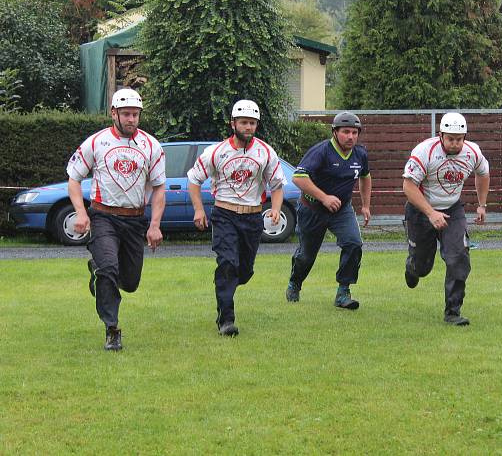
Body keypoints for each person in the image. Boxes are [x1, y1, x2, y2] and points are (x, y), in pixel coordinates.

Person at [67, 88, 166, 351]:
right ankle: (112, 329)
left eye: (135, 114)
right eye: (126, 114)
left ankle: (97, 274)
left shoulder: (151, 146)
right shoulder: (96, 142)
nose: (131, 119)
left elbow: (158, 187)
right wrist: (80, 212)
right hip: (104, 217)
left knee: (130, 283)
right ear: (114, 113)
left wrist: (154, 224)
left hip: (135, 220)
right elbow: (74, 178)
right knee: (109, 268)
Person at [188, 99, 285, 336]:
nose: (248, 127)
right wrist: (199, 209)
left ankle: (226, 285)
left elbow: (277, 184)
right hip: (224, 214)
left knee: (244, 271)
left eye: (252, 123)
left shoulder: (265, 152)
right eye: (243, 122)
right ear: (233, 123)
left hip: (252, 217)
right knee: (227, 263)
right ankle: (226, 318)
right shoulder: (216, 152)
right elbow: (194, 179)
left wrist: (275, 208)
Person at [402, 112, 490, 326]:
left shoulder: (473, 152)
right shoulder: (425, 151)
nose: (454, 144)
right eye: (450, 139)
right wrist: (431, 213)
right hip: (422, 212)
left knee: (459, 258)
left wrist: (482, 204)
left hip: (452, 210)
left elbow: (483, 174)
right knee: (423, 268)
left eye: (459, 139)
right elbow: (408, 186)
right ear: (440, 135)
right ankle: (412, 266)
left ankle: (453, 311)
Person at [286, 112, 371, 309]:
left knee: (353, 244)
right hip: (312, 209)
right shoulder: (321, 151)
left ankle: (343, 292)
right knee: (307, 255)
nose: (350, 136)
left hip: (341, 210)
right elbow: (298, 178)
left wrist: (366, 205)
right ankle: (294, 283)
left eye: (354, 132)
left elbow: (365, 177)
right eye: (345, 132)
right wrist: (324, 198)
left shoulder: (360, 154)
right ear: (334, 132)